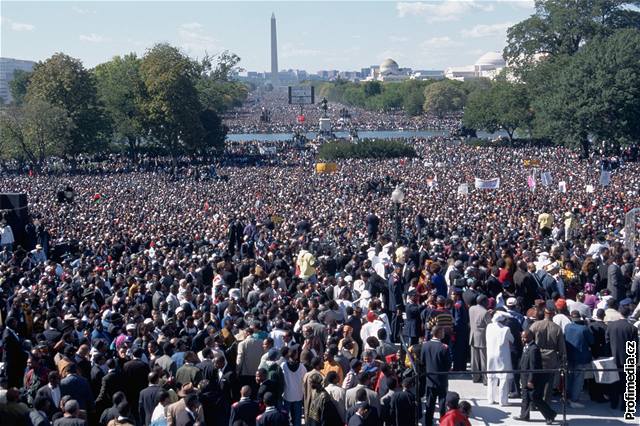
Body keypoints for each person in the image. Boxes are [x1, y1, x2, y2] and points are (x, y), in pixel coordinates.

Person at [514, 330, 556, 424]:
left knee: (535, 398)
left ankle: (550, 415)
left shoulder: (534, 349)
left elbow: (534, 366)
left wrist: (531, 380)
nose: (522, 339)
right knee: (525, 397)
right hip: (524, 377)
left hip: (531, 379)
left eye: (524, 337)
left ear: (530, 337)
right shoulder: (526, 346)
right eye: (522, 337)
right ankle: (524, 415)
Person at [421, 326, 451, 426]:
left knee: (429, 404)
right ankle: (443, 422)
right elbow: (448, 365)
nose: (444, 334)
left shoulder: (425, 345)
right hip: (442, 380)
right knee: (442, 404)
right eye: (442, 332)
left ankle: (428, 423)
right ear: (438, 333)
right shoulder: (444, 347)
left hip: (430, 380)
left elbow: (422, 361)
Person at [563, 311, 594, 407]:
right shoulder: (584, 329)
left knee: (570, 378)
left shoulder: (567, 327)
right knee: (578, 379)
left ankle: (567, 397)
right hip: (581, 357)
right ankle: (574, 399)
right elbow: (592, 341)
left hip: (569, 356)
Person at [485, 311, 514, 406]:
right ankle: (503, 401)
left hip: (491, 355)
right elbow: (512, 339)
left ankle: (490, 399)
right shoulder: (506, 329)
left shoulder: (489, 327)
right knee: (503, 378)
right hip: (502, 355)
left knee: (491, 377)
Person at [2, 317, 28, 388]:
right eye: (15, 322)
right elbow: (10, 352)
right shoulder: (7, 336)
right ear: (11, 323)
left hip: (15, 363)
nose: (16, 323)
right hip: (12, 365)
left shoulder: (11, 331)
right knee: (13, 383)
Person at [468, 295, 489, 384]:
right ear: (483, 302)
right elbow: (489, 324)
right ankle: (485, 379)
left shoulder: (471, 308)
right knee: (484, 359)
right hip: (482, 338)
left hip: (473, 336)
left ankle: (475, 377)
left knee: (474, 360)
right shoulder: (485, 312)